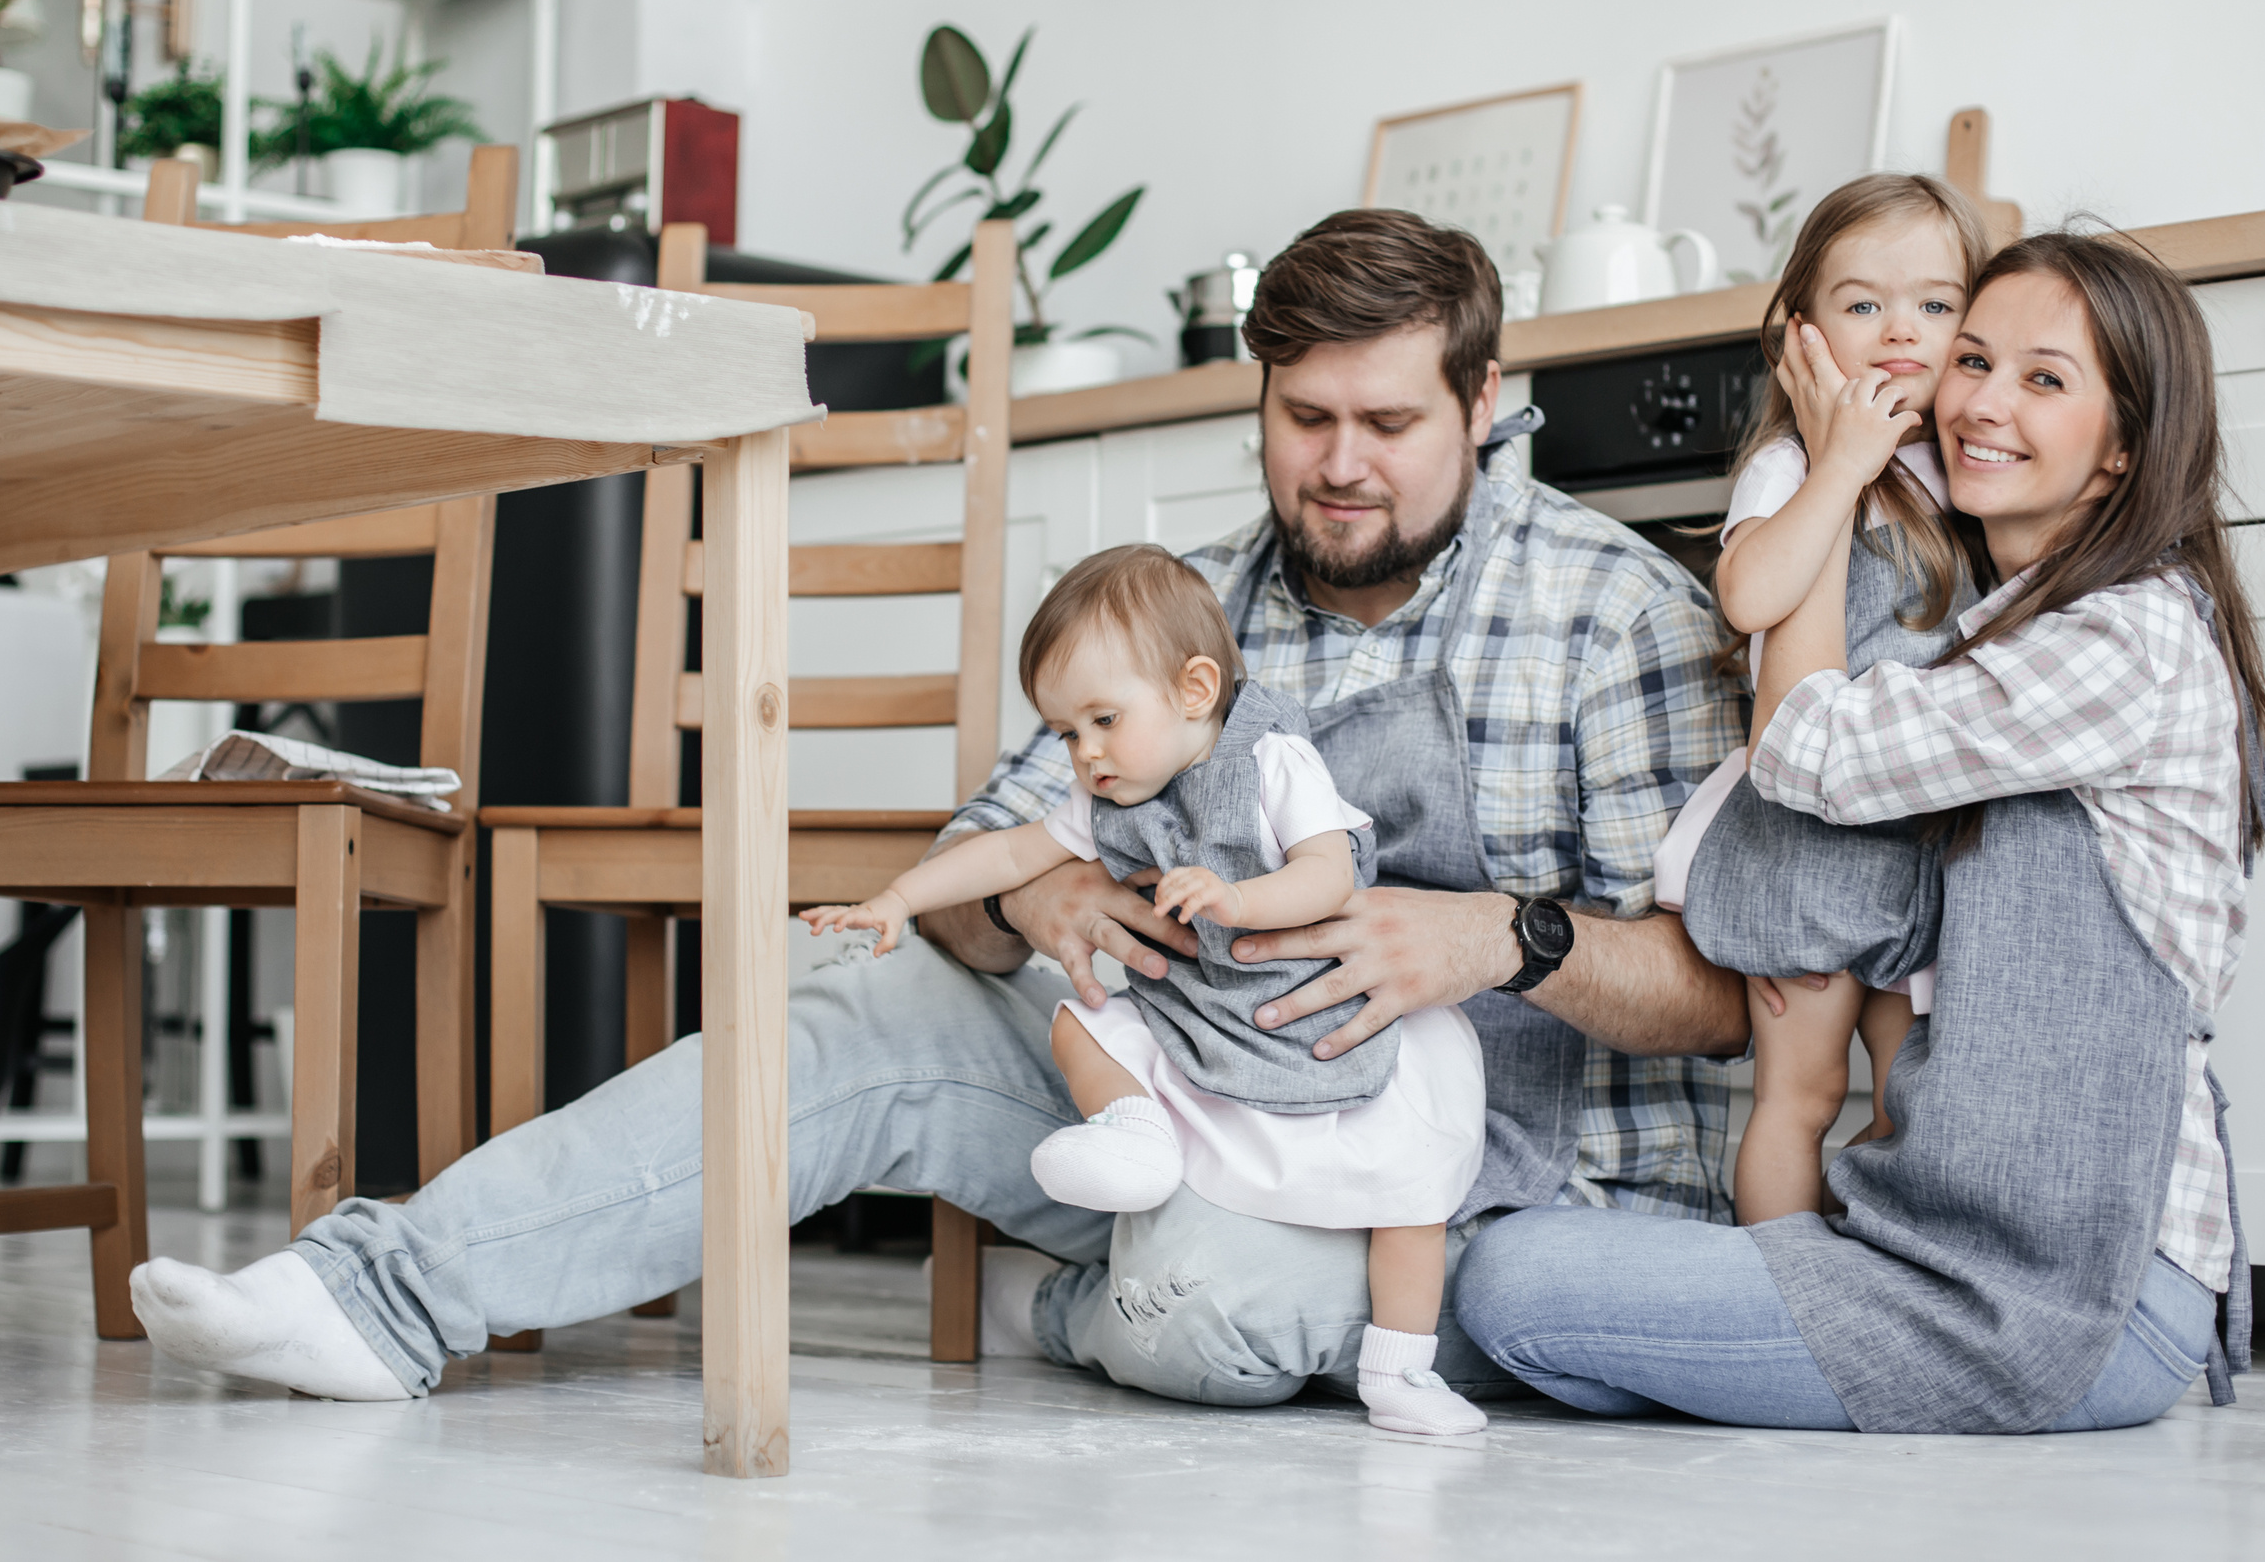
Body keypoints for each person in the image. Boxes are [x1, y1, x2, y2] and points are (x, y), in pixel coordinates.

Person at [127, 207, 1749, 1410]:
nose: (1338, 467)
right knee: (853, 1001)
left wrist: (1504, 936)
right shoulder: (1196, 605)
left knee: (1204, 1302)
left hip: (1450, 1181)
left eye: (1387, 424)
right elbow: (982, 874)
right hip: (1180, 1109)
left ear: (1479, 403)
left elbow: (1721, 997)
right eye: (1299, 419)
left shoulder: (1612, 614)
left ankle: (1085, 1313)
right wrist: (1041, 900)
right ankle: (376, 1300)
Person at [1454, 228, 2265, 1434]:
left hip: (2070, 1303)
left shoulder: (2126, 639)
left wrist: (1832, 464)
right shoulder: (2001, 624)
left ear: (2121, 451)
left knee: (1510, 1283)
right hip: (1939, 1254)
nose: (1979, 401)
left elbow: (1805, 753)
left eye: (2044, 378)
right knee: (1551, 1303)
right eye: (1971, 359)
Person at [804, 543, 1489, 1435]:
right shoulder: (1116, 793)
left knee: (1405, 1183)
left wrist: (1236, 896)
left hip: (1329, 1022)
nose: (1085, 754)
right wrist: (897, 898)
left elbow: (1327, 873)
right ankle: (1136, 1131)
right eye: (1065, 732)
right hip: (1207, 1023)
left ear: (1195, 690)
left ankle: (1401, 1370)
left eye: (1101, 720)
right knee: (1082, 1019)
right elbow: (1010, 853)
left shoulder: (1273, 762)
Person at [1652, 174, 1991, 1224]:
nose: (1902, 331)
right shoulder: (1792, 463)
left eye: (1936, 306)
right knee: (1795, 1098)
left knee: (1907, 1100)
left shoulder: (1969, 467)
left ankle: (1881, 1287)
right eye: (1862, 305)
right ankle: (1777, 1292)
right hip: (1804, 847)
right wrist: (1841, 465)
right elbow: (1751, 593)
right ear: (1801, 335)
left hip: (1918, 841)